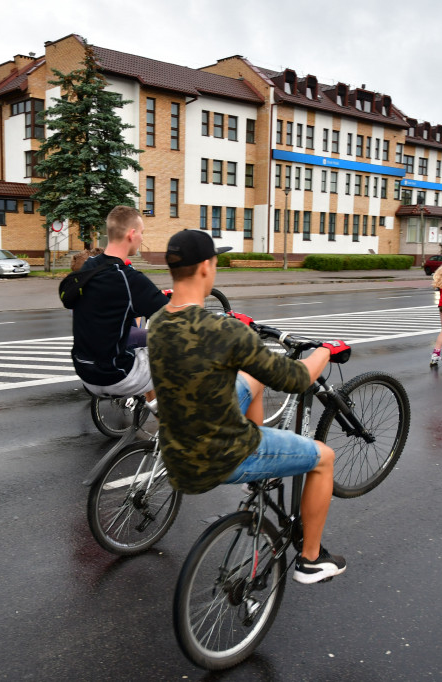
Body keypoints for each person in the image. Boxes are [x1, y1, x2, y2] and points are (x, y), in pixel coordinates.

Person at [147, 229, 346, 584]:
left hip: (178, 454)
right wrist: (326, 351)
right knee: (324, 458)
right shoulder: (225, 332)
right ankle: (311, 559)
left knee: (250, 380)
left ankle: (260, 459)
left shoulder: (158, 322)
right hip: (223, 456)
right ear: (207, 268)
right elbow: (296, 379)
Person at [70, 206, 169, 399]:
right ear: (132, 234)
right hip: (117, 376)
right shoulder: (129, 279)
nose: (142, 238)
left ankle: (155, 410)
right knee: (184, 356)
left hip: (86, 374)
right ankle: (174, 427)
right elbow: (176, 318)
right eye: (142, 233)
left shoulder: (88, 267)